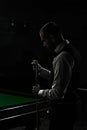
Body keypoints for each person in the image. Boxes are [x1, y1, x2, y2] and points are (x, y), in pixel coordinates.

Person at [32, 21, 81, 130]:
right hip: (69, 109)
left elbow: (57, 93)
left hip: (63, 111)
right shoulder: (71, 49)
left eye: (44, 40)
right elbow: (60, 78)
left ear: (51, 37)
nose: (44, 45)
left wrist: (39, 92)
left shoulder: (62, 57)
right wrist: (40, 70)